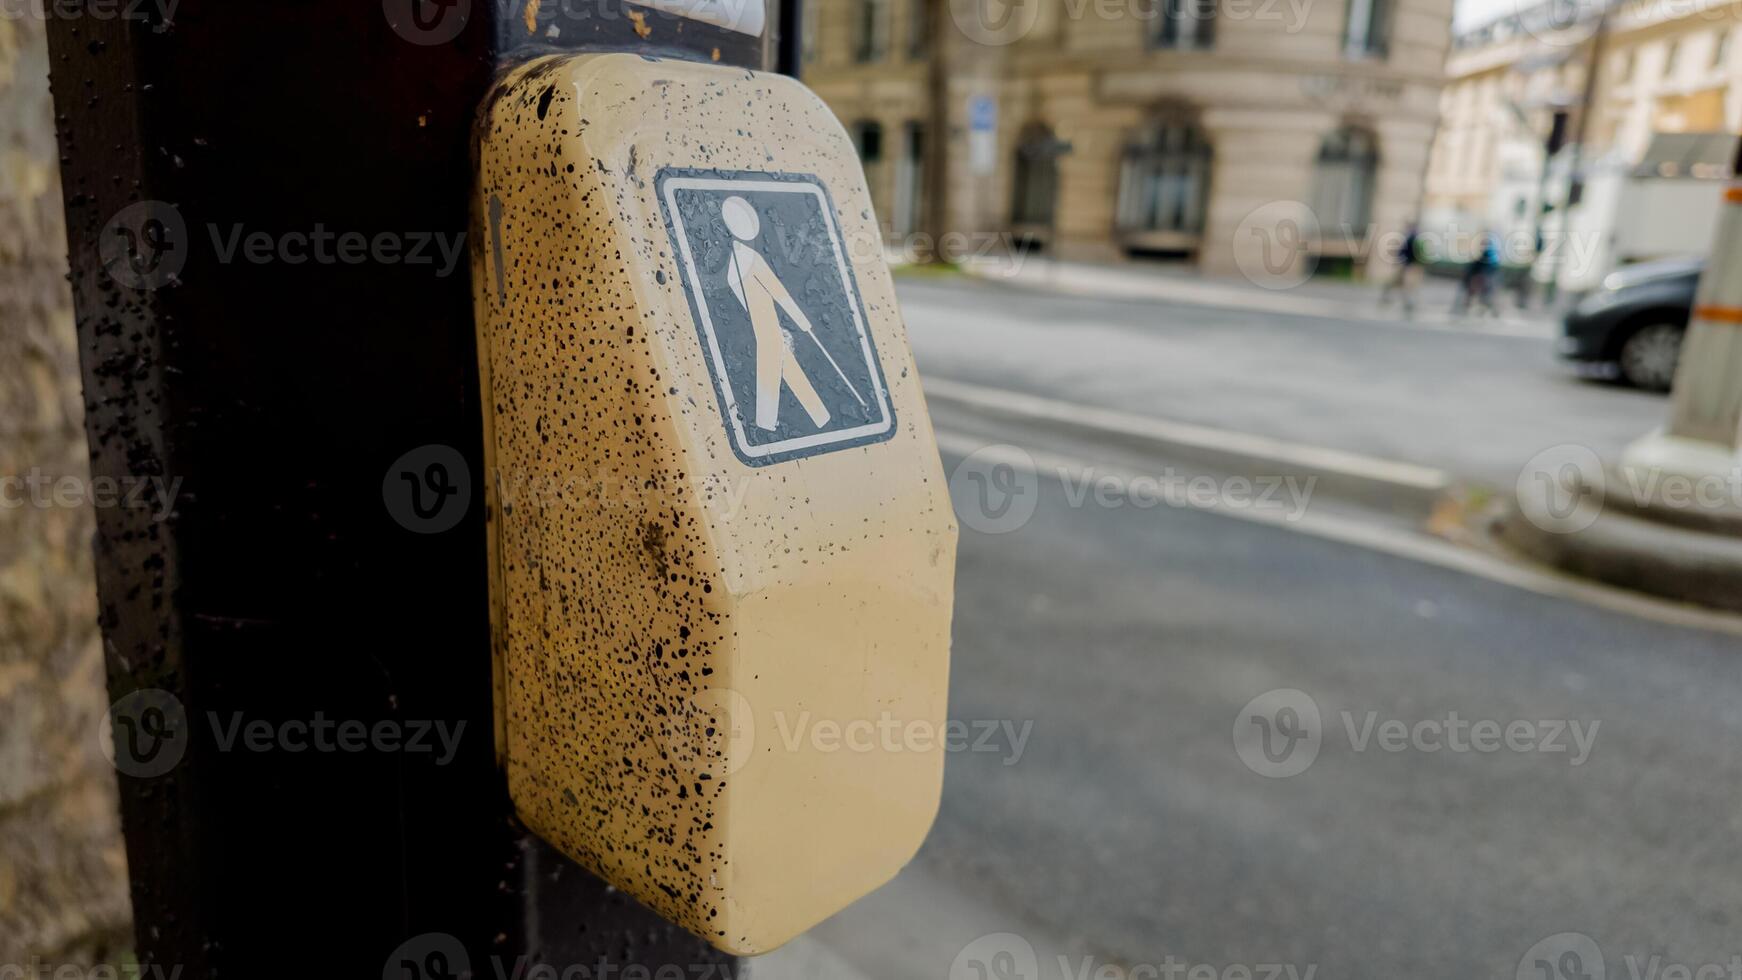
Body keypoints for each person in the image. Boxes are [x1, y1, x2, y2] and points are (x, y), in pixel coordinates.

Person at [721, 195, 830, 431]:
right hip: (766, 322)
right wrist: (802, 322)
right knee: (770, 369)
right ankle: (766, 423)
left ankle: (820, 416)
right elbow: (780, 294)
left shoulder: (733, 262)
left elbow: (744, 298)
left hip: (761, 323)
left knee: (787, 369)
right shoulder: (751, 258)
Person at [1453, 230, 1501, 318]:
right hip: (1485, 274)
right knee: (1485, 292)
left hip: (1485, 274)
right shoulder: (1490, 253)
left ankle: (1489, 308)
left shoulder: (1489, 252)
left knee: (1486, 292)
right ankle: (1489, 308)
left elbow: (1485, 265)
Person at [1380, 222, 1423, 315]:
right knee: (1403, 283)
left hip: (1407, 265)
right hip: (1406, 265)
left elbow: (1407, 253)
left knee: (1404, 284)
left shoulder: (1411, 239)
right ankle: (1405, 301)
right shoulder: (1410, 239)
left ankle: (1405, 301)